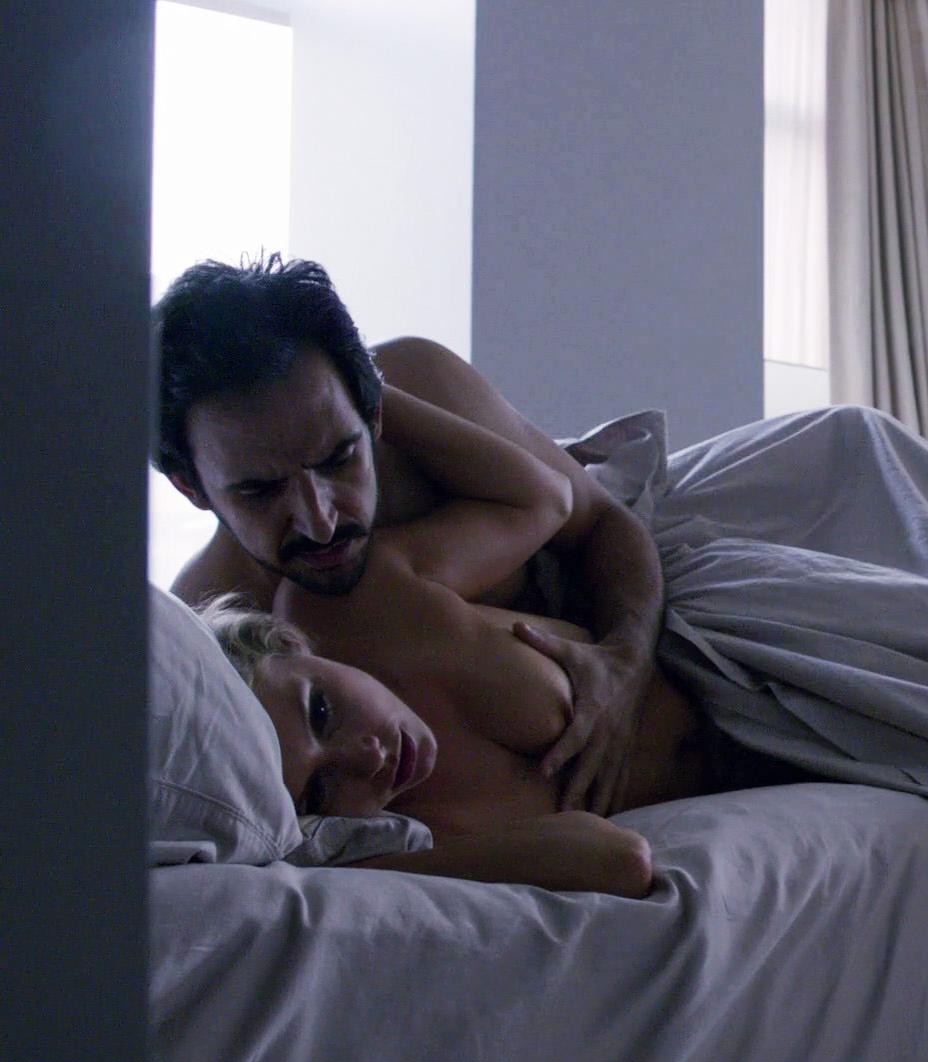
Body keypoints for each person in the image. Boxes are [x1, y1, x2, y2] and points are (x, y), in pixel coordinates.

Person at [154, 255, 665, 814]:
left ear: (374, 414)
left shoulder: (423, 384)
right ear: (192, 488)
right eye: (260, 491)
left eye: (340, 458)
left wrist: (627, 661)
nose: (320, 522)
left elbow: (603, 522)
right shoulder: (217, 631)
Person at [199, 594, 658, 899]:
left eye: (321, 711)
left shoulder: (374, 606)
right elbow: (619, 860)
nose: (369, 757)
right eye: (320, 790)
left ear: (290, 642)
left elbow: (579, 510)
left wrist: (629, 655)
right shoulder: (414, 846)